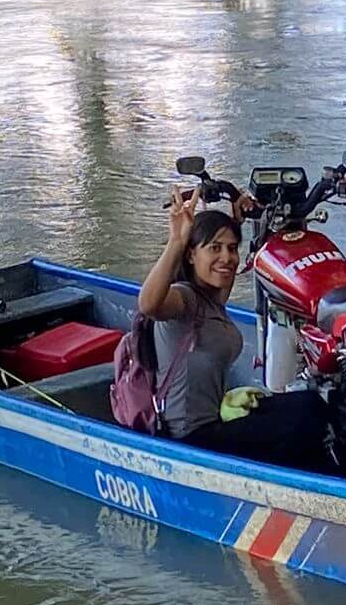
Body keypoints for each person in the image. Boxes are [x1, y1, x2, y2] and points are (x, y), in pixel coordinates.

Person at [136, 187, 329, 471]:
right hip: (190, 437)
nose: (226, 257)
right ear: (191, 256)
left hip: (215, 421)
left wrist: (238, 219)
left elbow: (225, 272)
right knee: (302, 423)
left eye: (231, 248)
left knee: (311, 403)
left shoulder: (211, 300)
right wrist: (176, 242)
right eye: (214, 248)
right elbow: (149, 304)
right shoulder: (183, 299)